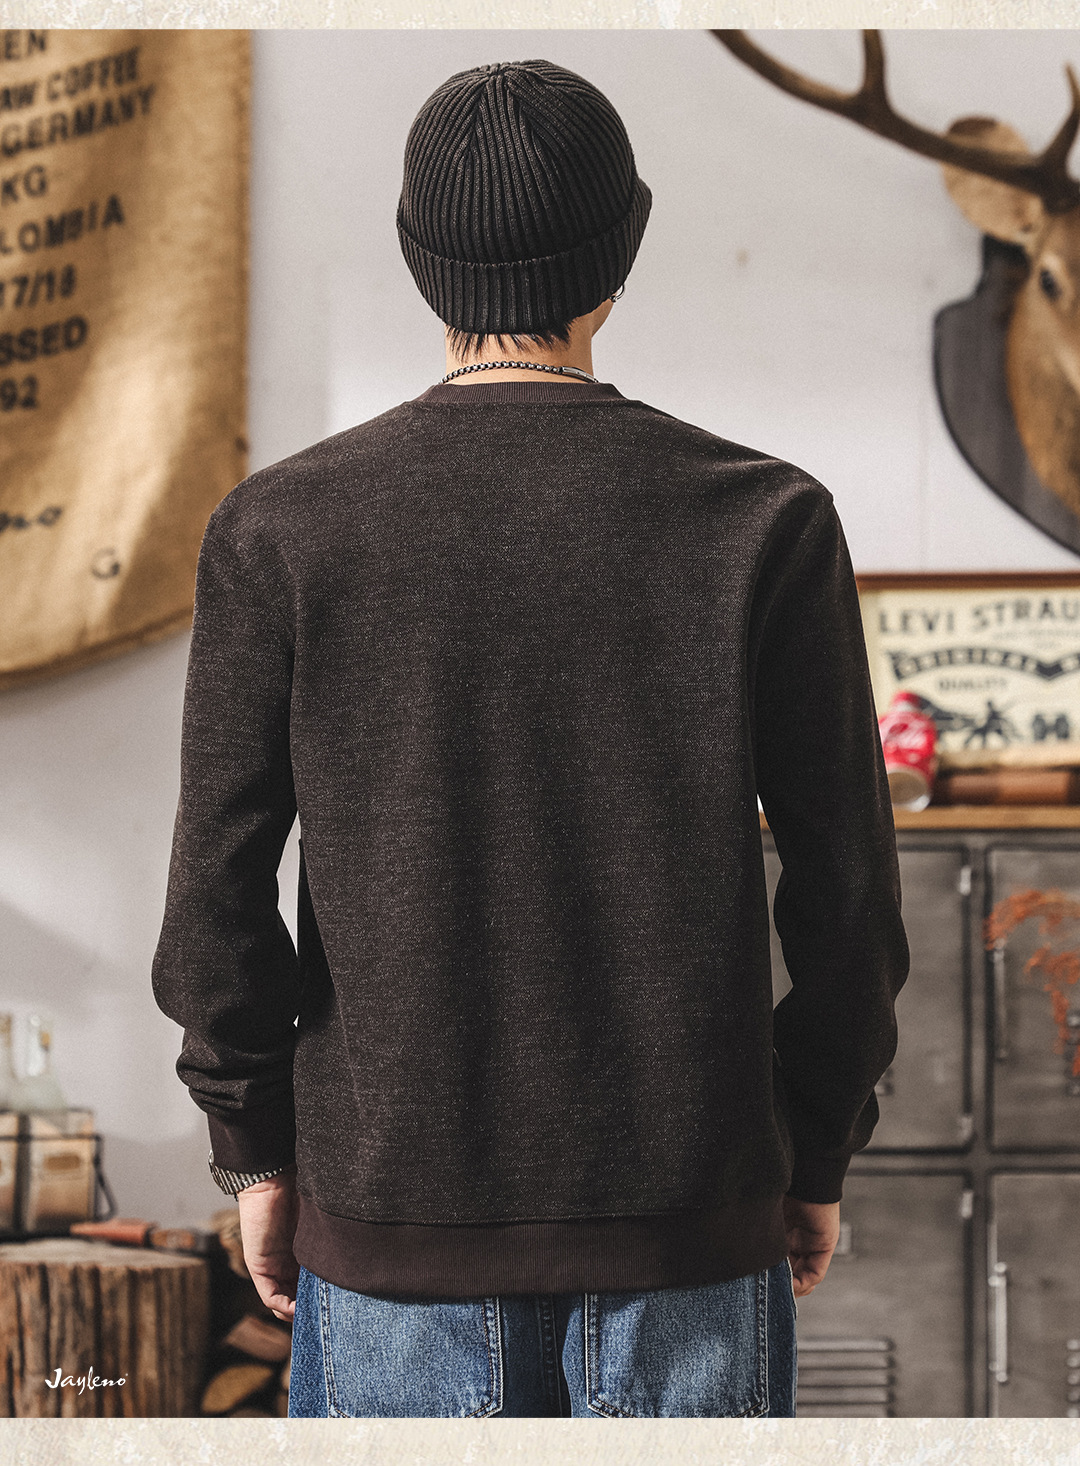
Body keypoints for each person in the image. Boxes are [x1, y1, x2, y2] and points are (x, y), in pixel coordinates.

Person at [151, 57, 909, 1419]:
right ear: (625, 248)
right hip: (691, 1230)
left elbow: (216, 888)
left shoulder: (281, 527)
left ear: (415, 254)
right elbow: (848, 894)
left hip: (389, 1236)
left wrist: (253, 1147)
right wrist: (816, 1146)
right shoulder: (765, 519)